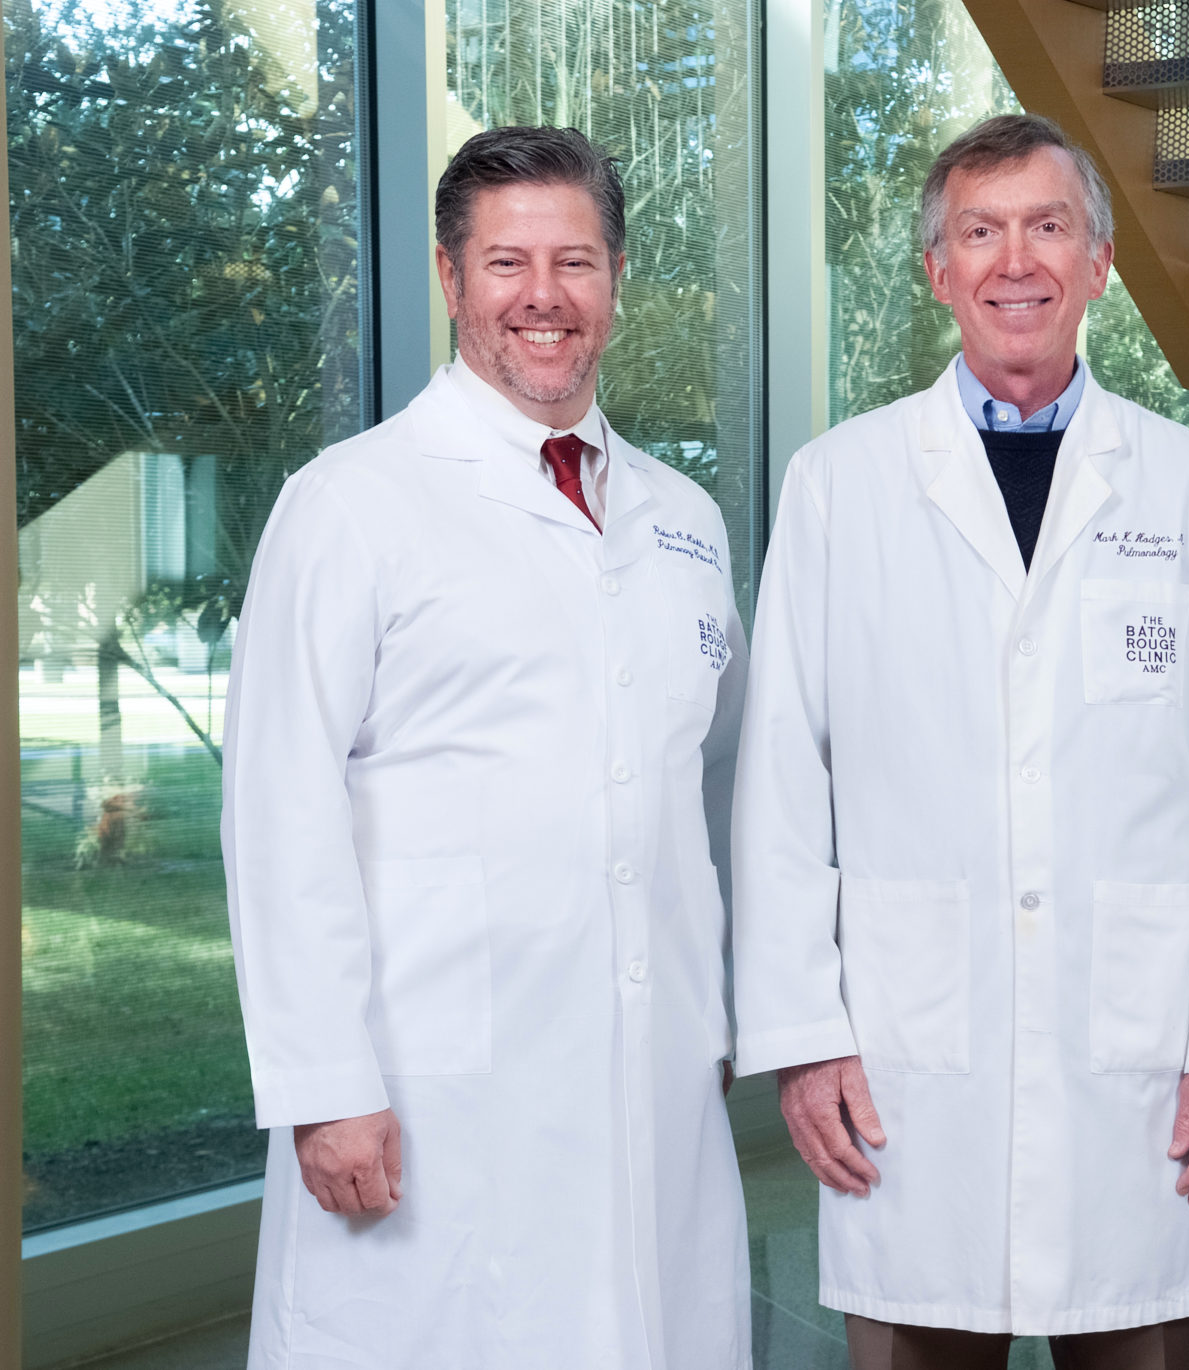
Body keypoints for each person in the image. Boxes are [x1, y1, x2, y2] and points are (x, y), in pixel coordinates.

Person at [731, 113, 1189, 1370]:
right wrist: (801, 1032)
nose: (1016, 261)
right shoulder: (838, 484)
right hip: (908, 1059)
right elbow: (783, 777)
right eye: (979, 232)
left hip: (1146, 1065)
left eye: (1048, 227)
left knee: (1140, 1341)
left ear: (1099, 262)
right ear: (935, 268)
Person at [224, 125, 750, 1369]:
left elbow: (706, 780)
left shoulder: (685, 521)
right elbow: (277, 806)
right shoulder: (351, 503)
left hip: (648, 1068)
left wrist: (711, 1009)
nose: (543, 297)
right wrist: (322, 1080)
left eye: (574, 260)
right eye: (506, 262)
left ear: (617, 277)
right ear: (453, 281)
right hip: (427, 1084)